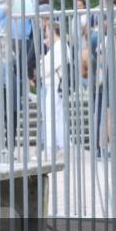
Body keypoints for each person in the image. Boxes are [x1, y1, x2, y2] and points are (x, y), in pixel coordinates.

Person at [40, 23, 66, 156]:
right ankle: (61, 146)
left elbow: (44, 70)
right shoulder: (58, 46)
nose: (45, 33)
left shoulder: (58, 47)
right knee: (57, 116)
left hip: (54, 85)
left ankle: (50, 149)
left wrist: (42, 64)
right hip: (55, 85)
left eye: (46, 30)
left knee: (51, 117)